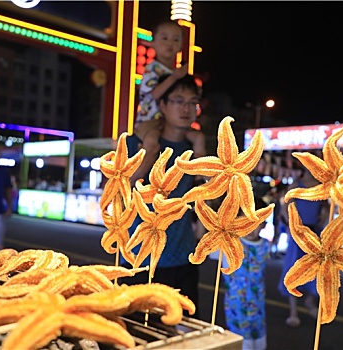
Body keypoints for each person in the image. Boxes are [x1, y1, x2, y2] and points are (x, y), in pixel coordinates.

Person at [118, 74, 205, 318]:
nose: (186, 108)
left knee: (184, 333)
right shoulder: (139, 142)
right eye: (178, 101)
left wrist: (199, 151)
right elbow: (116, 190)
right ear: (163, 106)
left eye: (192, 102)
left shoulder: (195, 149)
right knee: (135, 333)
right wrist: (148, 155)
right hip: (140, 259)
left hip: (183, 258)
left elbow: (206, 200)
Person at [135, 20, 200, 156]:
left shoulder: (178, 72)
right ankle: (142, 171)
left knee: (199, 138)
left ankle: (200, 173)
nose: (170, 43)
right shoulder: (152, 68)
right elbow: (153, 94)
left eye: (176, 39)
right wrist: (174, 78)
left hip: (170, 123)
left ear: (181, 45)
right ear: (153, 43)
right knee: (151, 140)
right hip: (151, 121)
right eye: (164, 38)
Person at [277, 159, 328, 327]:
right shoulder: (297, 184)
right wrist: (290, 222)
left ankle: (310, 301)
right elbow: (285, 203)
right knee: (294, 269)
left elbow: (328, 206)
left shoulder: (322, 185)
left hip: (315, 233)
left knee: (315, 269)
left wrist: (325, 216)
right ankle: (293, 311)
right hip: (299, 233)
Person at [222, 196, 271, 350]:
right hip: (236, 303)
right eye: (245, 222)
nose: (250, 228)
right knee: (241, 342)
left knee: (259, 338)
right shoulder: (231, 244)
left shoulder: (265, 246)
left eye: (255, 223)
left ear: (263, 224)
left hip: (258, 302)